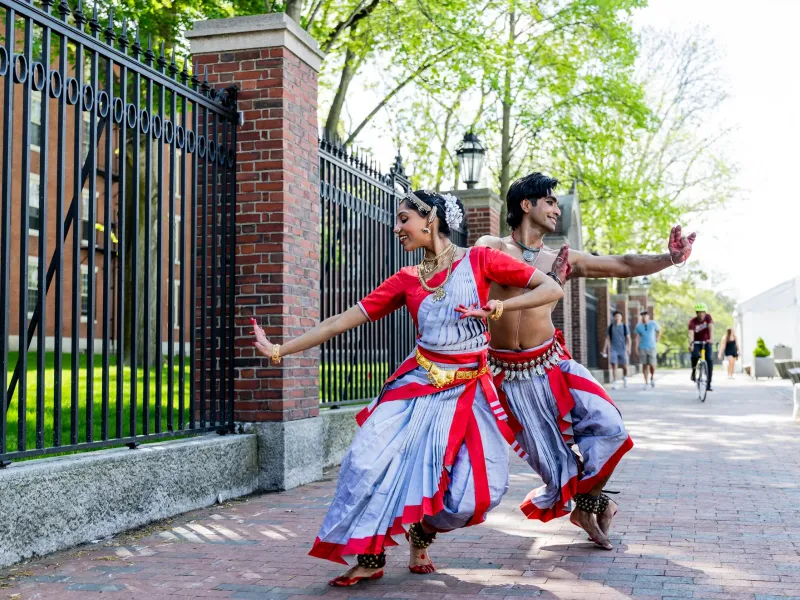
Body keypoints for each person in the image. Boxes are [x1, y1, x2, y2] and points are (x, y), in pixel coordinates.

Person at [251, 190, 563, 586]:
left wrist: (498, 308)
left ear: (429, 218)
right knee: (365, 462)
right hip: (416, 386)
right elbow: (341, 321)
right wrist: (280, 349)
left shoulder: (480, 260)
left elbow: (550, 289)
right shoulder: (406, 280)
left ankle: (423, 531)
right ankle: (370, 555)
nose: (397, 228)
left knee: (476, 495)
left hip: (469, 392)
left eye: (403, 219)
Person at [476, 172, 695, 550]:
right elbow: (495, 274)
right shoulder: (490, 245)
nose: (556, 209)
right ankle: (593, 504)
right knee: (554, 466)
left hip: (551, 365)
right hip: (507, 378)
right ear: (526, 205)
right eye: (549, 201)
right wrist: (548, 278)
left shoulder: (562, 258)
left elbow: (622, 264)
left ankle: (590, 503)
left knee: (611, 428)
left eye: (557, 203)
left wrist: (670, 259)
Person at [689, 302, 714, 391]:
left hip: (707, 342)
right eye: (699, 312)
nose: (701, 314)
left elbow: (711, 328)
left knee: (709, 360)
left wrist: (711, 339)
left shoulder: (708, 317)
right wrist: (691, 344)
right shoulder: (692, 322)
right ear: (697, 313)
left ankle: (709, 384)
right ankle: (694, 372)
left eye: (703, 312)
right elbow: (691, 333)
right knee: (694, 356)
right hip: (696, 342)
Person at [602, 311, 630, 389]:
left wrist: (628, 348)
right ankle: (615, 382)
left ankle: (624, 378)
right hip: (613, 349)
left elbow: (628, 338)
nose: (617, 318)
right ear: (614, 317)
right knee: (614, 365)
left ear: (621, 318)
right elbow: (607, 339)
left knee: (625, 366)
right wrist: (604, 349)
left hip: (623, 349)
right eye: (616, 316)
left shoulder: (624, 326)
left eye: (619, 316)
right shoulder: (610, 327)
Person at [634, 311, 661, 390]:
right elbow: (636, 338)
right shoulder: (638, 326)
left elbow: (660, 330)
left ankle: (652, 378)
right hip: (642, 347)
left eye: (645, 316)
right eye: (642, 316)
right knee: (644, 365)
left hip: (652, 347)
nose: (644, 317)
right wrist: (636, 348)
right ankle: (646, 382)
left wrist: (657, 338)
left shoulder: (653, 324)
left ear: (648, 316)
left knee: (652, 364)